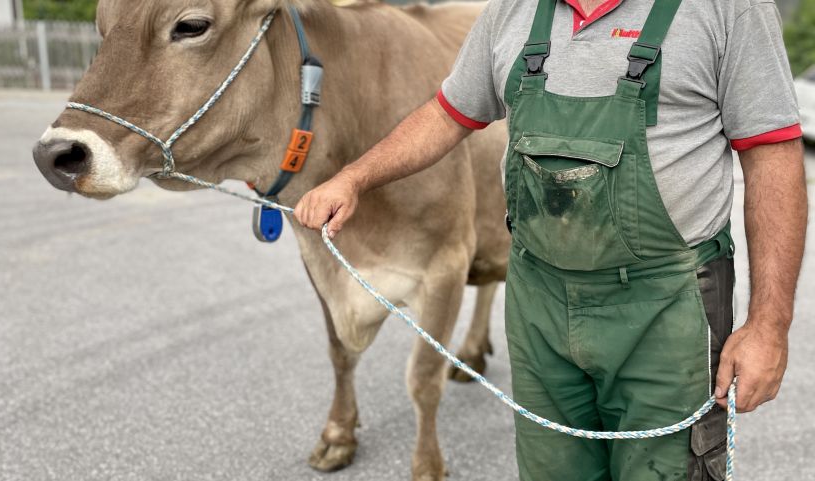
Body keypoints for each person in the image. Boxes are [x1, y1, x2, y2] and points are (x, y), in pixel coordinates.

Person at [294, 0, 808, 479]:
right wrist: (353, 177)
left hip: (666, 313)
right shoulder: (514, 10)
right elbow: (447, 114)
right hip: (540, 306)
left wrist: (769, 324)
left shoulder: (727, 10)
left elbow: (774, 159)